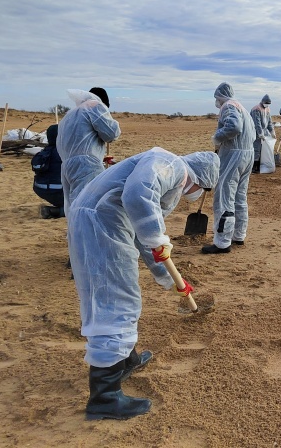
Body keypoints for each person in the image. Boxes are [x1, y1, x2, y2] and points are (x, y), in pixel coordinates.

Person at [67, 148, 219, 420]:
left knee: (117, 296)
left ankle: (126, 360)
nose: (193, 195)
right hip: (103, 224)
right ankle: (105, 398)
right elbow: (137, 197)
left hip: (96, 218)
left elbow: (144, 234)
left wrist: (170, 279)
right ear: (199, 180)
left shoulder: (164, 166)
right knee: (116, 301)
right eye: (200, 189)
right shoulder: (170, 164)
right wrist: (158, 238)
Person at [203, 83, 256, 254]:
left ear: (221, 96)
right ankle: (239, 235)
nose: (217, 102)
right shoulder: (243, 108)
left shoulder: (229, 106)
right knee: (240, 196)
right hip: (248, 155)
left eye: (217, 98)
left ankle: (222, 242)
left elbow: (234, 127)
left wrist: (217, 138)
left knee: (225, 195)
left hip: (233, 156)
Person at [57, 87, 121, 214]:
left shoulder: (70, 114)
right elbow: (111, 134)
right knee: (89, 206)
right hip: (87, 166)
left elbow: (79, 143)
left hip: (67, 167)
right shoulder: (95, 106)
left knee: (76, 206)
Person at [32, 124, 64, 219]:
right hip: (58, 190)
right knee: (78, 207)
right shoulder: (64, 153)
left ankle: (59, 206)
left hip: (40, 189)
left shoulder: (45, 152)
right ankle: (53, 211)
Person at [250, 94, 274, 174]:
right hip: (255, 131)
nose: (267, 104)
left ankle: (259, 166)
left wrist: (272, 131)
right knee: (256, 148)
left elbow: (269, 122)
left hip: (263, 131)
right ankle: (254, 166)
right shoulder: (256, 109)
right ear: (263, 102)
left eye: (268, 103)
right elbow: (257, 123)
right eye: (266, 103)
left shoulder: (267, 109)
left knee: (262, 149)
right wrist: (260, 133)